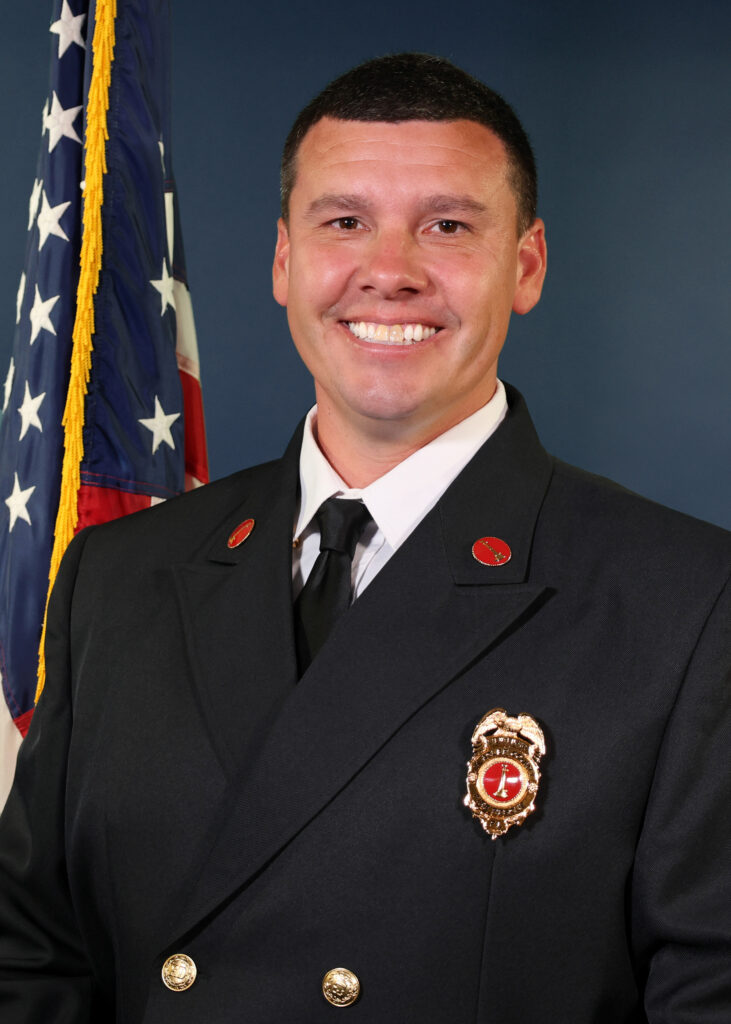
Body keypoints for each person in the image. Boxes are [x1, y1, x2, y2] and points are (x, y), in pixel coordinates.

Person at [0, 53, 729, 1024]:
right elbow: (28, 952)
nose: (388, 271)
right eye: (343, 221)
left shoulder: (686, 602)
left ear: (525, 266)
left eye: (447, 226)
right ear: (282, 262)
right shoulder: (119, 573)